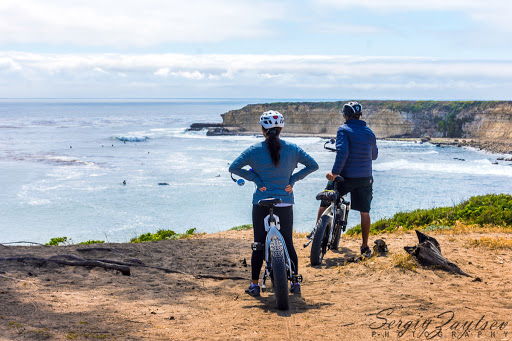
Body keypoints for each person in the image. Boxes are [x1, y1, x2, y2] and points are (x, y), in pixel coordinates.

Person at [229, 110, 318, 297]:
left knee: (259, 244)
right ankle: (294, 282)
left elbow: (234, 168)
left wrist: (257, 181)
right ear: (281, 128)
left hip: (261, 202)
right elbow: (313, 165)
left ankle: (254, 286)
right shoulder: (293, 149)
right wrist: (292, 180)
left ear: (263, 129)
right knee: (288, 243)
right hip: (285, 202)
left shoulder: (253, 150)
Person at [318, 101, 378, 258]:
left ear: (346, 116)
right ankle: (365, 247)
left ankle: (316, 233)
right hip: (365, 178)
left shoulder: (343, 130)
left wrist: (334, 172)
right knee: (365, 213)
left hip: (345, 178)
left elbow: (342, 152)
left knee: (325, 199)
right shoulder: (370, 132)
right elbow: (374, 156)